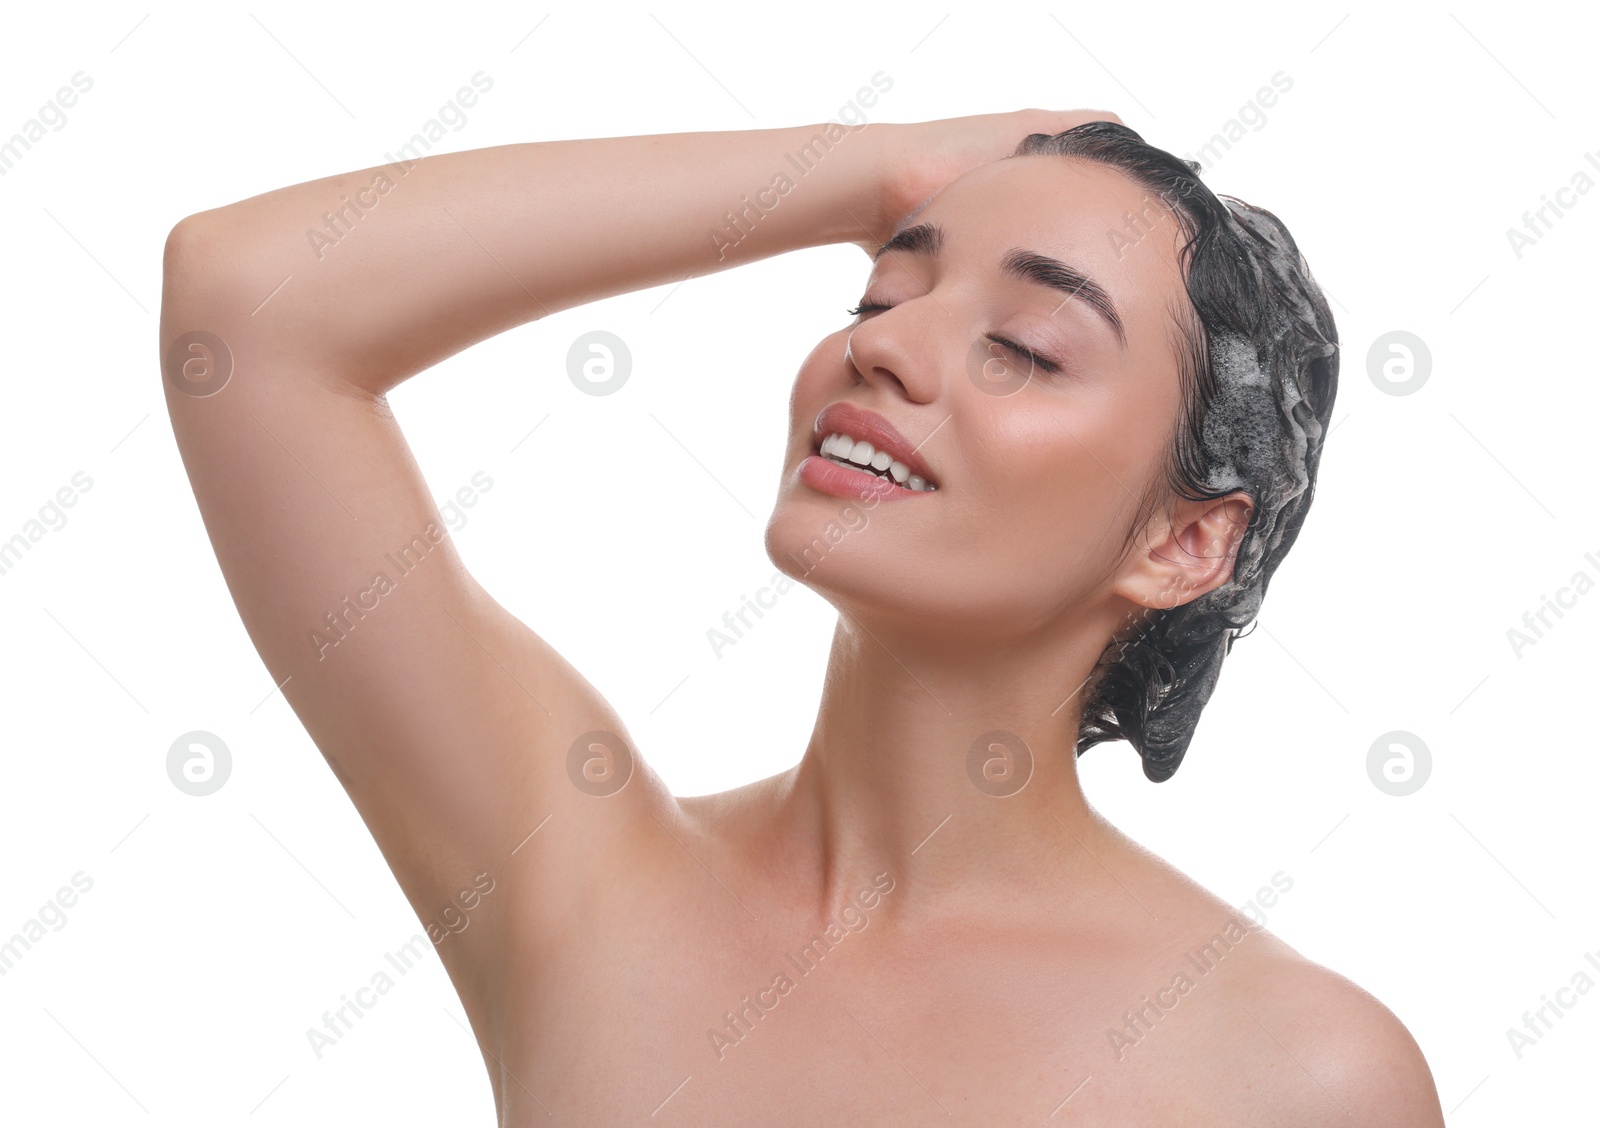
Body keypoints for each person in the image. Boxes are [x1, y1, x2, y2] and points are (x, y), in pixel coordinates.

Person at [160, 108, 1445, 1124]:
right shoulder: (583, 892)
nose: (881, 350)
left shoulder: (1291, 1075)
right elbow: (249, 305)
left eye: (1028, 346)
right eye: (883, 296)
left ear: (1182, 542)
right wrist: (866, 171)